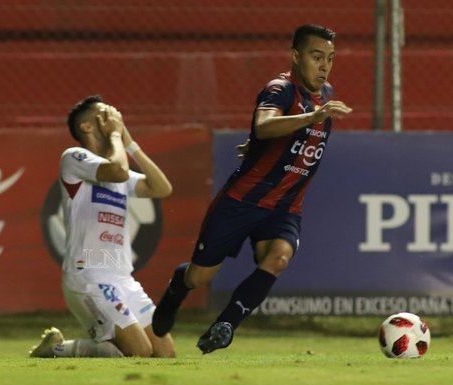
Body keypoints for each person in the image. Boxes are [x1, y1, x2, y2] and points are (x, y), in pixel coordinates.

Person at [152, 23, 353, 354]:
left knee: (279, 257)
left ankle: (226, 325)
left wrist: (263, 146)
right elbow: (264, 124)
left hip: (286, 206)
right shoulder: (280, 88)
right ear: (295, 56)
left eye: (330, 58)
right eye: (317, 57)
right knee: (200, 277)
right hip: (242, 201)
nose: (324, 66)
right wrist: (307, 119)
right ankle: (177, 287)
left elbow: (274, 134)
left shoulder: (324, 93)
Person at [30, 95, 176, 358]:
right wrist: (116, 137)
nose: (114, 117)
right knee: (138, 352)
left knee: (165, 353)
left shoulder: (117, 168)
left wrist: (129, 143)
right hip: (89, 277)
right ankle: (59, 349)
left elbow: (161, 187)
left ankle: (96, 348)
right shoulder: (74, 158)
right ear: (87, 126)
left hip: (122, 279)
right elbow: (117, 170)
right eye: (105, 115)